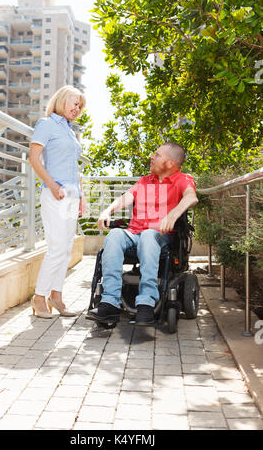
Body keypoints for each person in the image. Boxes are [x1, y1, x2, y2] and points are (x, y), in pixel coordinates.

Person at [86, 142, 198, 326]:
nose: (152, 157)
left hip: (159, 236)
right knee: (114, 235)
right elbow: (125, 199)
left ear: (170, 163)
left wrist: (173, 214)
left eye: (157, 155)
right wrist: (106, 211)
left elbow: (191, 197)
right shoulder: (145, 181)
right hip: (133, 234)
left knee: (148, 235)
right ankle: (110, 303)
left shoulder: (182, 180)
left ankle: (146, 302)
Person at [29, 85, 87, 318]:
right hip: (56, 193)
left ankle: (57, 297)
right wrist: (53, 185)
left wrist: (81, 197)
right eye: (74, 103)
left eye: (80, 106)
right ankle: (39, 298)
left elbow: (75, 169)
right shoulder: (46, 125)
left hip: (72, 195)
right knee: (56, 248)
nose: (77, 108)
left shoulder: (71, 132)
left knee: (65, 250)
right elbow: (34, 159)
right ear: (61, 100)